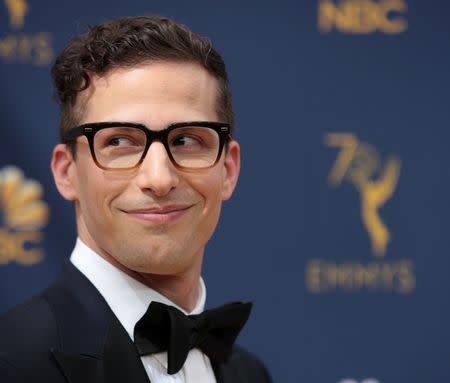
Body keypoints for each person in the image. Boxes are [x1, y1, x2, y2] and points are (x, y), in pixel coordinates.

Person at [0, 15, 272, 383]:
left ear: (228, 169)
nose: (159, 179)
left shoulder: (249, 375)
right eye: (119, 142)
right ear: (67, 172)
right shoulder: (11, 361)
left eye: (187, 140)